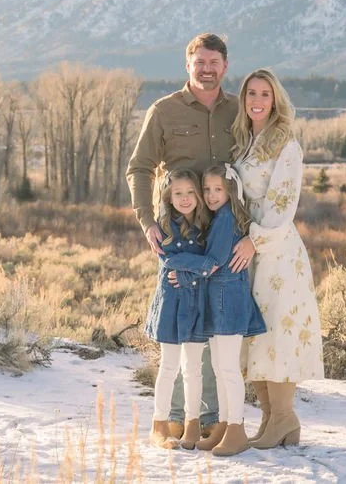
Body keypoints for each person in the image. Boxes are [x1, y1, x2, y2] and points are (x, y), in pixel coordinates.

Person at [126, 33, 256, 436]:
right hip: (179, 236)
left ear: (225, 66)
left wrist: (257, 233)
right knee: (182, 329)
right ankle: (177, 418)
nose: (207, 69)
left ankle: (215, 420)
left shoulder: (239, 110)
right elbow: (140, 168)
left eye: (214, 62)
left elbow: (258, 165)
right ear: (188, 65)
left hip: (224, 236)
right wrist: (147, 221)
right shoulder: (163, 111)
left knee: (219, 327)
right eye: (199, 62)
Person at [232, 68, 324, 449]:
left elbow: (283, 203)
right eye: (251, 93)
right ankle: (272, 419)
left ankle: (284, 416)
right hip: (248, 250)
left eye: (265, 94)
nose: (257, 100)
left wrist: (256, 241)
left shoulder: (287, 144)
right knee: (255, 334)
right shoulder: (243, 142)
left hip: (276, 250)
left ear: (276, 100)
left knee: (277, 333)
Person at [194, 163, 267, 456]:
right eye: (207, 190)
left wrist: (181, 270)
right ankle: (224, 425)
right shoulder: (219, 218)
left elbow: (212, 261)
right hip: (219, 300)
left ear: (231, 191)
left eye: (218, 189)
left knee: (228, 369)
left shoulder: (226, 220)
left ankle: (236, 430)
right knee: (219, 367)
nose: (211, 195)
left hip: (227, 302)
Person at [144, 169, 212, 450]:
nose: (184, 199)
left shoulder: (207, 226)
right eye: (177, 194)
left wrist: (192, 271)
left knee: (193, 368)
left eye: (189, 193)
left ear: (198, 195)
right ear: (169, 198)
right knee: (169, 366)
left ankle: (192, 424)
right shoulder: (163, 226)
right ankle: (159, 425)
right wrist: (194, 267)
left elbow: (212, 262)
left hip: (196, 304)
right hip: (171, 304)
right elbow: (168, 262)